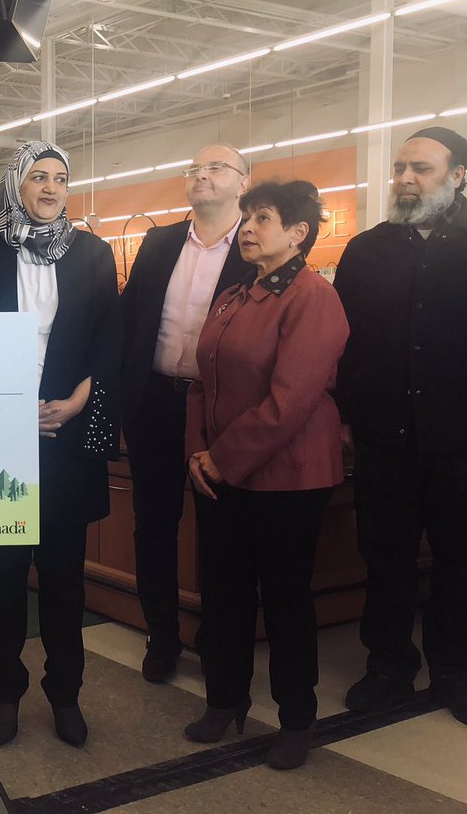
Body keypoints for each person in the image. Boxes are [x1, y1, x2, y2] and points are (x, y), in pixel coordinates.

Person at [183, 180, 348, 770]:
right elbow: (202, 380)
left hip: (288, 477)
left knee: (284, 601)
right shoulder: (235, 295)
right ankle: (225, 700)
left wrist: (220, 458)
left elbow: (291, 401)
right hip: (221, 473)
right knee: (223, 594)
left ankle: (296, 718)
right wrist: (198, 452)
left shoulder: (313, 298)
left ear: (299, 233)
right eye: (246, 217)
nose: (247, 229)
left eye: (263, 219)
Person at [0, 140, 120, 748]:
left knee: (64, 576)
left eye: (60, 178)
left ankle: (65, 693)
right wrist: (10, 409)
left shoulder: (91, 253)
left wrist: (81, 399)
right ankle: (5, 692)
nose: (51, 188)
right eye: (38, 176)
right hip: (0, 439)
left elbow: (109, 338)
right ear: (16, 184)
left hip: (64, 434)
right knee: (3, 575)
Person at [335, 127, 467, 726]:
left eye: (422, 169)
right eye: (399, 168)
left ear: (458, 176)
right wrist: (344, 416)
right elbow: (343, 344)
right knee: (384, 557)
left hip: (458, 438)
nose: (406, 179)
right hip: (384, 436)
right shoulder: (366, 251)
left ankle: (455, 668)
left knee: (458, 558)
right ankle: (388, 666)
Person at [120, 144, 249, 682]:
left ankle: (218, 639)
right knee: (153, 524)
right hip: (153, 403)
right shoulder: (160, 241)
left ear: (244, 181)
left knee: (221, 530)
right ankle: (162, 635)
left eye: (216, 168)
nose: (202, 175)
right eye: (194, 168)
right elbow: (130, 316)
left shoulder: (254, 246)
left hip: (219, 409)